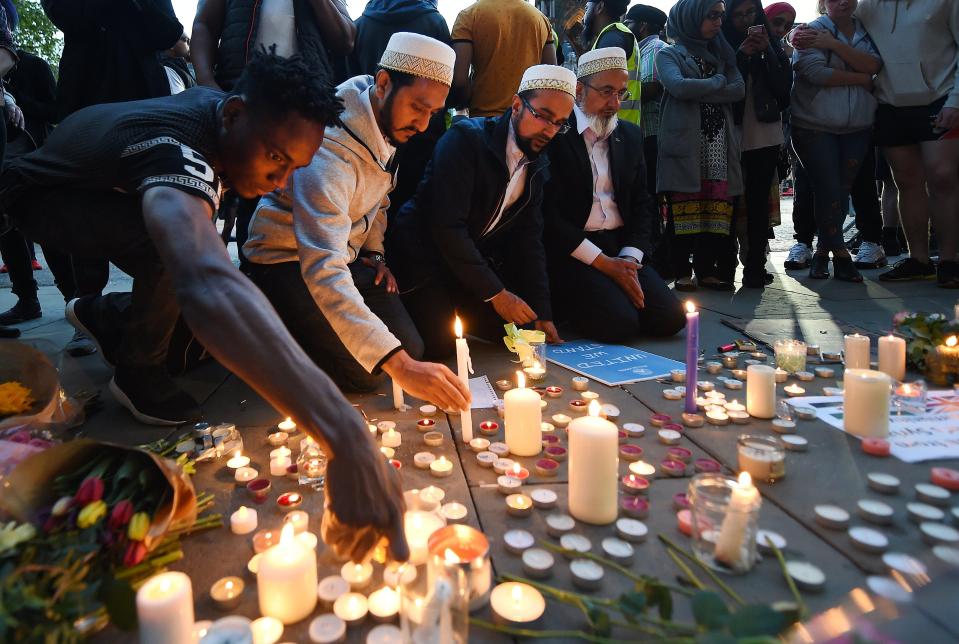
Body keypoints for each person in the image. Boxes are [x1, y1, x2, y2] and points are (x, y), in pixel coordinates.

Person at [0, 51, 410, 563]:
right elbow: (206, 281)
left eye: (295, 168)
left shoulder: (221, 119)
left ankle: (112, 316)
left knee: (196, 256)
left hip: (98, 188)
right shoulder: (181, 148)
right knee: (178, 247)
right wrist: (346, 436)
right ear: (235, 114)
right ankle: (138, 372)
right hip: (39, 196)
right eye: (277, 158)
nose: (282, 182)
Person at [244, 34, 469, 410]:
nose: (424, 123)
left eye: (434, 112)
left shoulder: (387, 121)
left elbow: (379, 201)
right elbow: (323, 268)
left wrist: (376, 254)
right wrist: (400, 366)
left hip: (345, 256)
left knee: (412, 347)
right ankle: (265, 328)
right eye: (418, 106)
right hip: (287, 261)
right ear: (383, 83)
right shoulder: (327, 150)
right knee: (367, 372)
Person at [386, 65, 576, 358]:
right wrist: (497, 295)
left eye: (559, 124)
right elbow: (447, 227)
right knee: (441, 345)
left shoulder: (538, 163)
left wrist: (543, 312)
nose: (549, 131)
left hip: (466, 269)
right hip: (420, 260)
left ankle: (459, 305)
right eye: (543, 117)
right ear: (516, 106)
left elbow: (530, 240)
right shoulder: (465, 140)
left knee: (526, 331)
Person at [191, 0, 357, 268]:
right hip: (244, 101)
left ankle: (282, 284)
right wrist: (207, 84)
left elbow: (345, 40)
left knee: (294, 202)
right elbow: (204, 25)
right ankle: (241, 277)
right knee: (240, 195)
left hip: (303, 115)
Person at [542, 48, 684, 342]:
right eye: (606, 92)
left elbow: (643, 204)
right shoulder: (557, 135)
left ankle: (612, 293)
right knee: (621, 325)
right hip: (575, 251)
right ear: (579, 89)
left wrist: (629, 261)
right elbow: (548, 216)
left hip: (621, 247)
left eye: (621, 93)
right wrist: (603, 264)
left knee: (671, 318)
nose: (615, 104)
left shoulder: (629, 135)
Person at [856, 0, 959, 287]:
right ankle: (919, 260)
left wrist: (957, 101)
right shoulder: (866, 7)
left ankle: (949, 261)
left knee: (943, 178)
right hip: (890, 103)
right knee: (906, 182)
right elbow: (839, 25)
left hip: (941, 98)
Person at [656, 0, 745, 292]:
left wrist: (704, 88)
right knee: (682, 211)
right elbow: (678, 86)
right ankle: (682, 271)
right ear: (692, 18)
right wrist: (718, 81)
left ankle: (707, 270)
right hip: (686, 145)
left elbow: (738, 90)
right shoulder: (669, 54)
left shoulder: (722, 54)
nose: (718, 22)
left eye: (720, 16)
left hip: (718, 144)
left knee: (715, 210)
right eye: (711, 16)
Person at [789, 0, 881, 282]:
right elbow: (816, 73)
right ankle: (838, 253)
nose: (842, 1)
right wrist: (863, 78)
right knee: (826, 187)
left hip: (859, 124)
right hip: (815, 124)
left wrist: (836, 47)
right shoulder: (810, 31)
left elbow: (876, 63)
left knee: (841, 189)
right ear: (822, 3)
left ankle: (822, 253)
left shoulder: (867, 28)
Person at [722, 0, 791, 288]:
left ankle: (755, 266)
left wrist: (766, 52)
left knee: (759, 201)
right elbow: (721, 82)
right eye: (737, 15)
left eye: (750, 13)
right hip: (729, 130)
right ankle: (723, 266)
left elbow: (783, 89)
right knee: (728, 200)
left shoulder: (772, 44)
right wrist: (739, 56)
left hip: (763, 131)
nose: (744, 20)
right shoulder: (721, 42)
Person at [450, 0, 556, 117]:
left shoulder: (469, 15)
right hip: (526, 118)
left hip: (483, 119)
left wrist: (460, 105)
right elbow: (551, 78)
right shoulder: (541, 19)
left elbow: (459, 80)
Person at [625, 4, 668, 191]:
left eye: (628, 23)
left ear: (642, 26)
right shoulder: (640, 50)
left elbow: (652, 88)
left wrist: (616, 94)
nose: (624, 28)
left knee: (650, 194)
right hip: (643, 134)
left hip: (653, 135)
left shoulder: (655, 48)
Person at [581, 0, 643, 126]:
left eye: (586, 8)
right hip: (620, 126)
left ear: (599, 7)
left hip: (612, 127)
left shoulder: (612, 38)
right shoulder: (616, 34)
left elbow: (600, 84)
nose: (583, 16)